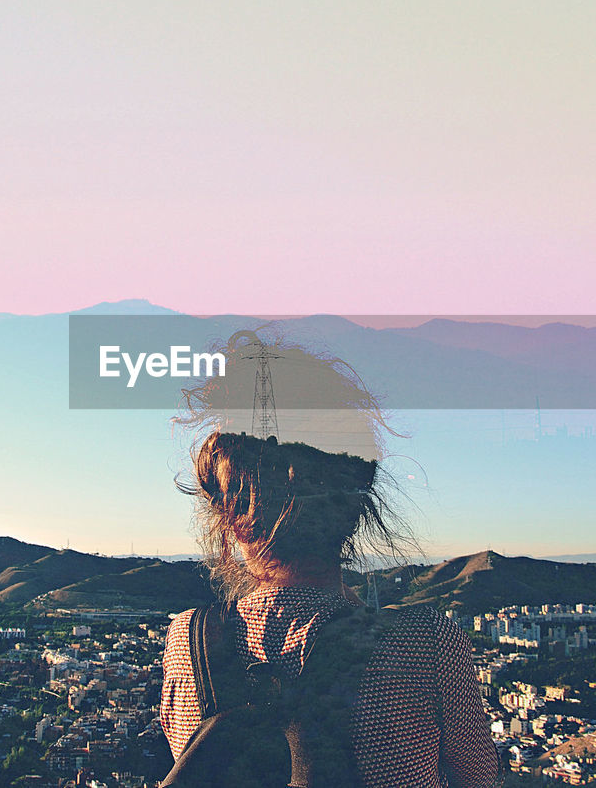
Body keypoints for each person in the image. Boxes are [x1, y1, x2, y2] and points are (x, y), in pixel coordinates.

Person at [160, 332, 500, 787]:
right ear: (355, 509)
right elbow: (476, 779)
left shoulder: (189, 642)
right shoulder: (426, 645)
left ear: (230, 518)